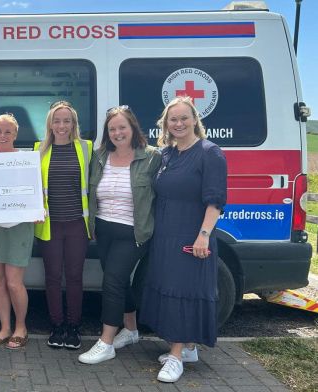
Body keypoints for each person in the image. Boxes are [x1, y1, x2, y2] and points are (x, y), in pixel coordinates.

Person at [139, 96, 227, 383]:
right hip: (165, 234)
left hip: (191, 235)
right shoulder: (167, 154)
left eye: (183, 118)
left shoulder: (209, 152)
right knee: (168, 289)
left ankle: (175, 356)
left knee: (182, 292)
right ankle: (188, 349)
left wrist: (204, 235)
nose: (178, 123)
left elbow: (215, 201)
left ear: (194, 120)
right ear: (165, 124)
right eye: (172, 119)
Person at [77, 106, 161, 364]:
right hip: (104, 228)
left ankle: (106, 342)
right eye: (112, 129)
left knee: (112, 281)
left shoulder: (151, 157)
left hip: (133, 231)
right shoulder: (101, 156)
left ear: (133, 127)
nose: (117, 132)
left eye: (122, 127)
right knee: (120, 280)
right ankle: (131, 329)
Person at [35, 101, 93, 350]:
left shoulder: (86, 147)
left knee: (74, 277)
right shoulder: (39, 149)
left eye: (66, 121)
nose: (61, 125)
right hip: (50, 226)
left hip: (77, 225)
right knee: (52, 277)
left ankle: (73, 327)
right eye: (56, 121)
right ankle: (57, 326)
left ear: (74, 124)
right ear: (50, 124)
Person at [0, 114, 34, 350]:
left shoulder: (25, 159)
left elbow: (34, 191)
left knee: (14, 283)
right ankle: (4, 328)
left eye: (7, 132)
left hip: (18, 225)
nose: (2, 136)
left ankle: (21, 327)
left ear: (15, 135)